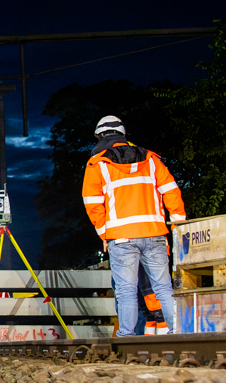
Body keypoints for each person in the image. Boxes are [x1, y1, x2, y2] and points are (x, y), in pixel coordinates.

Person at [80, 114, 186, 337]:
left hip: (121, 238)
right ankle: (179, 333)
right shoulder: (151, 159)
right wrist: (178, 223)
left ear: (99, 136)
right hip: (155, 233)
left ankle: (127, 339)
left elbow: (92, 204)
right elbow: (171, 191)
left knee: (126, 292)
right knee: (164, 289)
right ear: (123, 135)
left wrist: (104, 234)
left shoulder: (98, 164)